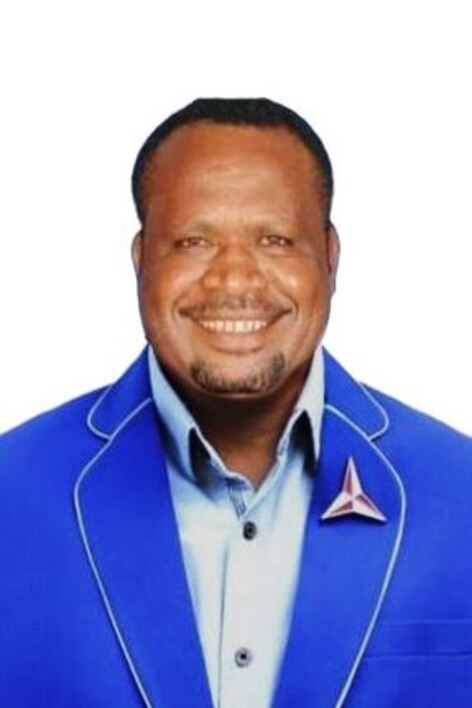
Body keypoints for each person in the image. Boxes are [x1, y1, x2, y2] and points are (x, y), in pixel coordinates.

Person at [0, 98, 471, 708]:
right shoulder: (13, 489)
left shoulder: (459, 491)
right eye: (193, 241)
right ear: (141, 262)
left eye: (275, 240)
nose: (234, 280)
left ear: (330, 259)